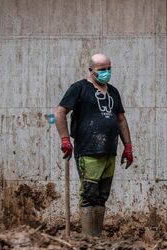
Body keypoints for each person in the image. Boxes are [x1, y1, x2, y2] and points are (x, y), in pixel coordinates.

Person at [54, 53, 134, 237]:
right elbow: (59, 112)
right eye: (102, 70)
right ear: (91, 71)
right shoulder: (79, 88)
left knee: (101, 197)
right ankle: (88, 241)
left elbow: (121, 120)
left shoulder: (113, 91)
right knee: (89, 195)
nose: (106, 72)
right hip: (88, 151)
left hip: (109, 151)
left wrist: (128, 147)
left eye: (109, 69)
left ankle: (97, 238)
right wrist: (65, 139)